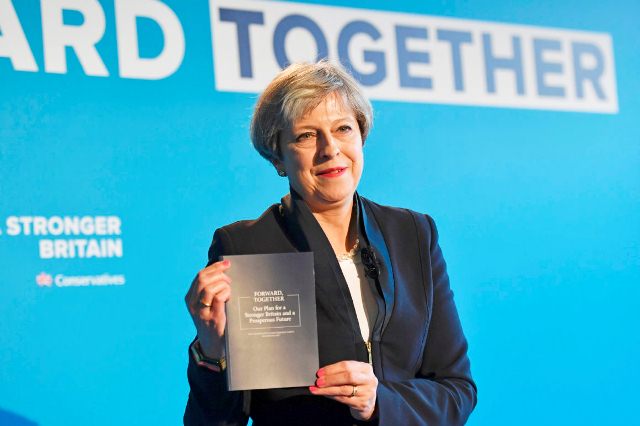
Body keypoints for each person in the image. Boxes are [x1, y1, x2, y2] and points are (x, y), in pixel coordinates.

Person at [184, 61, 477, 425]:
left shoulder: (414, 233)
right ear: (278, 157)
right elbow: (214, 421)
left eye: (342, 129)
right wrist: (213, 353)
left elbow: (456, 391)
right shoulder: (247, 246)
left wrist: (379, 401)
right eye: (306, 135)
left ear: (361, 136)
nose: (330, 149)